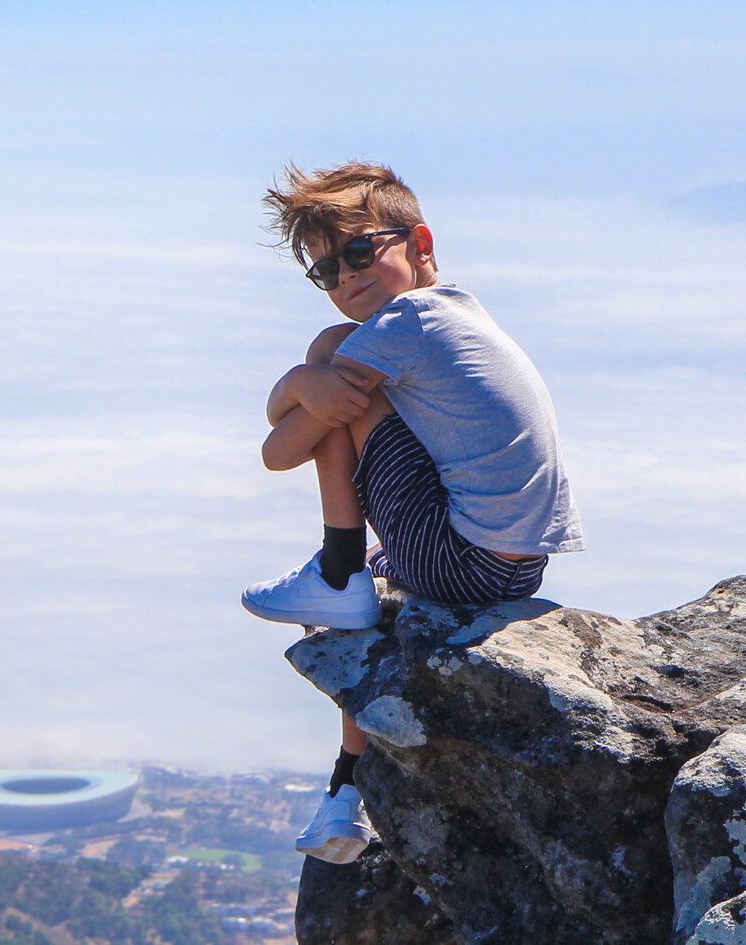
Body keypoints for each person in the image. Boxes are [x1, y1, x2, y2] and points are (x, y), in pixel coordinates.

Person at [237, 162, 583, 862]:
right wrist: (307, 387)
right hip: (512, 570)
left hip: (459, 559)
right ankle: (347, 791)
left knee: (330, 360)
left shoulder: (406, 321)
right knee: (364, 604)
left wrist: (303, 380)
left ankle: (336, 571)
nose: (346, 278)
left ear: (420, 243)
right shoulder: (456, 310)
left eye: (360, 253)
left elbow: (279, 447)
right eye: (326, 272)